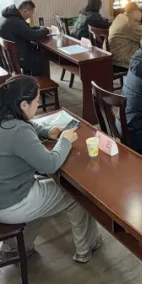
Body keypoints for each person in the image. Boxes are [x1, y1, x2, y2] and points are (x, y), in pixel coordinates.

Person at [0, 76, 101, 264]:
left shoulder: (7, 117)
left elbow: (28, 125)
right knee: (76, 193)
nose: (38, 105)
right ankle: (86, 246)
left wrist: (46, 131)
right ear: (24, 105)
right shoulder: (18, 131)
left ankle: (14, 248)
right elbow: (50, 164)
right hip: (13, 202)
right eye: (37, 101)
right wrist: (64, 140)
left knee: (46, 189)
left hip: (6, 195)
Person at [0, 1, 50, 76]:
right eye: (31, 13)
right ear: (25, 11)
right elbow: (31, 35)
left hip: (7, 56)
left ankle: (29, 77)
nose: (31, 16)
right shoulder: (16, 21)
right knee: (41, 56)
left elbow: (25, 30)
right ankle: (37, 80)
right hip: (17, 57)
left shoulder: (9, 17)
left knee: (37, 51)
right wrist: (46, 30)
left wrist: (38, 28)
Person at [109, 1, 142, 67]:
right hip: (123, 59)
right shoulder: (130, 24)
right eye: (140, 11)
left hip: (116, 55)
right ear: (134, 12)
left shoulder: (120, 17)